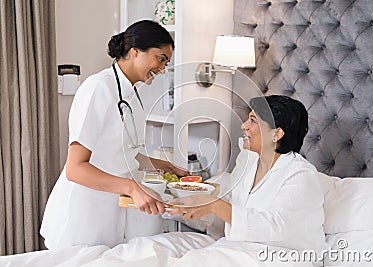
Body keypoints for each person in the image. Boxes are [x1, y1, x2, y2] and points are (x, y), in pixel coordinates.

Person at [40, 20, 187, 250]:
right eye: (161, 59)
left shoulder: (132, 93)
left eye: (166, 62)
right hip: (81, 214)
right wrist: (131, 187)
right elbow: (75, 168)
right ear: (135, 51)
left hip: (108, 212)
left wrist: (163, 165)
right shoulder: (98, 88)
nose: (162, 69)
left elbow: (124, 151)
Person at [168, 95, 327, 266]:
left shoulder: (301, 174)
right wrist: (187, 195)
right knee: (154, 248)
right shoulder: (248, 161)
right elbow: (229, 199)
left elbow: (275, 226)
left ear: (276, 134)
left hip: (282, 257)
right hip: (239, 248)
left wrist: (214, 205)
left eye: (253, 121)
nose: (244, 126)